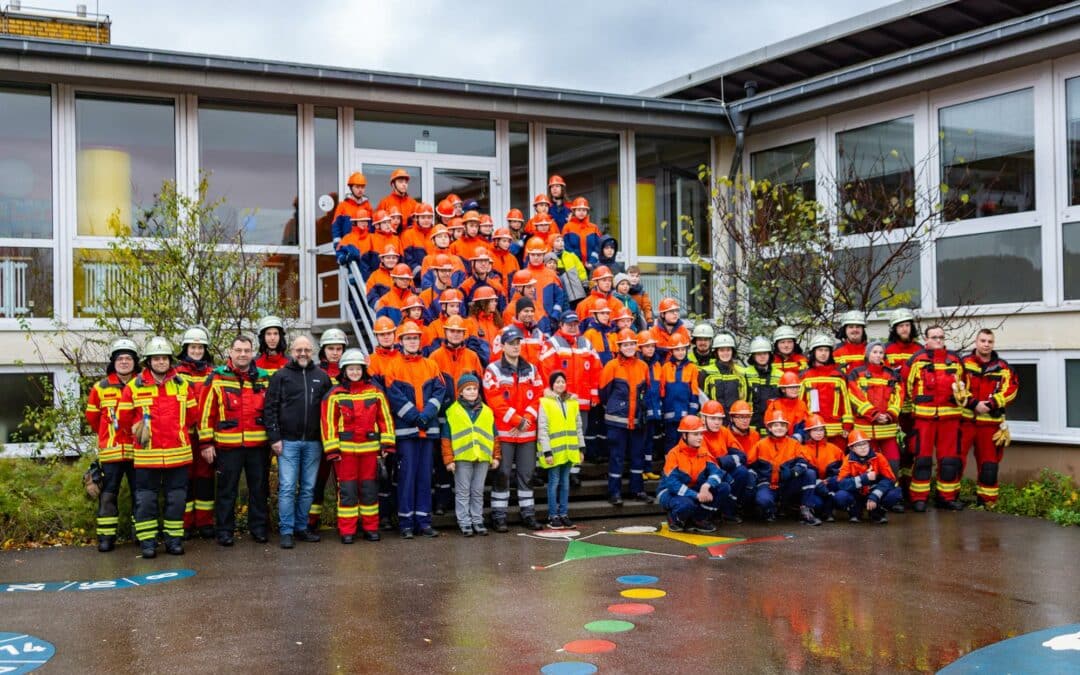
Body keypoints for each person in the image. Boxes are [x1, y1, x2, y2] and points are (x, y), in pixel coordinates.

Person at [118, 336, 199, 557]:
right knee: (145, 500)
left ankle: (173, 541)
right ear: (148, 361)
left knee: (177, 500)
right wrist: (138, 429)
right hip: (147, 455)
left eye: (164, 358)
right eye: (156, 358)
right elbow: (123, 419)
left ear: (170, 361)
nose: (161, 362)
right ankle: (148, 543)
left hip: (178, 454)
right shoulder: (134, 386)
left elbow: (193, 416)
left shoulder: (183, 385)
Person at [199, 335, 272, 547]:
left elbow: (272, 410)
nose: (242, 354)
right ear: (230, 352)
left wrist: (273, 441)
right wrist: (206, 443)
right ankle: (224, 531)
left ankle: (258, 529)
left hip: (258, 446)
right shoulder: (217, 377)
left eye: (246, 351)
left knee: (259, 490)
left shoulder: (263, 377)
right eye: (238, 350)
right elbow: (206, 413)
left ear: (252, 353)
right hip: (227, 447)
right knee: (226, 491)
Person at [264, 335, 333, 548]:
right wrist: (274, 437)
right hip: (287, 442)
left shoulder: (322, 377)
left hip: (314, 442)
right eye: (298, 350)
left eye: (306, 350)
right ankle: (286, 531)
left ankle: (301, 527)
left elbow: (329, 410)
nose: (302, 353)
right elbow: (270, 408)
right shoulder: (281, 376)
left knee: (308, 488)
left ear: (312, 352)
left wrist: (326, 440)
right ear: (292, 351)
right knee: (286, 487)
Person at [321, 349, 395, 544]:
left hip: (370, 452)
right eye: (351, 369)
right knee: (347, 491)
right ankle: (347, 530)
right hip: (345, 454)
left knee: (370, 490)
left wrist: (387, 444)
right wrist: (332, 449)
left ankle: (371, 528)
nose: (354, 372)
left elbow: (385, 419)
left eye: (358, 368)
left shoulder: (375, 392)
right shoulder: (334, 394)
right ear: (344, 371)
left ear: (364, 369)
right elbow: (328, 423)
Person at [384, 321, 447, 538]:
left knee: (424, 478)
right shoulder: (393, 366)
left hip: (427, 433)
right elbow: (394, 396)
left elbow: (439, 391)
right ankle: (406, 524)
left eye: (415, 338)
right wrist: (416, 417)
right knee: (406, 477)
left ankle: (424, 521)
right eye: (408, 338)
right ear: (400, 341)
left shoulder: (431, 365)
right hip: (406, 434)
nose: (412, 341)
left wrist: (427, 415)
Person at [484, 326, 545, 532]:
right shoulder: (493, 370)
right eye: (511, 343)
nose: (515, 347)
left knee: (527, 474)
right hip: (504, 433)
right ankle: (498, 516)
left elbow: (538, 397)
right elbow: (495, 400)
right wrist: (517, 420)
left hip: (526, 433)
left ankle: (528, 513)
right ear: (502, 346)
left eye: (518, 343)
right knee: (502, 474)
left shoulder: (532, 369)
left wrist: (525, 420)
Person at [905, 325, 968, 512]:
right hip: (924, 420)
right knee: (922, 460)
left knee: (949, 460)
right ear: (926, 340)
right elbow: (907, 387)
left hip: (950, 419)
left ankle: (946, 497)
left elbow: (965, 385)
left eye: (941, 337)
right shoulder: (917, 360)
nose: (938, 340)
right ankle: (919, 498)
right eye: (934, 337)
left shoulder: (955, 361)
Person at [86, 338, 139, 552]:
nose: (124, 362)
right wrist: (108, 437)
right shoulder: (100, 388)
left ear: (135, 362)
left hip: (139, 452)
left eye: (128, 358)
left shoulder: (143, 384)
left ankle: (141, 536)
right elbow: (92, 419)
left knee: (141, 495)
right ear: (113, 362)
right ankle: (106, 538)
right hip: (112, 453)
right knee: (107, 496)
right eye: (120, 358)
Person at [429, 314, 486, 515]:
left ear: (464, 334)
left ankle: (467, 503)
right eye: (452, 331)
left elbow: (480, 387)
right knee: (443, 461)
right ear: (445, 332)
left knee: (467, 459)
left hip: (468, 418)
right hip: (444, 417)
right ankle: (442, 502)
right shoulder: (435, 356)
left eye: (459, 332)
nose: (455, 334)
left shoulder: (472, 356)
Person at [540, 312, 602, 487]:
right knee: (558, 437)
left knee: (578, 435)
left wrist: (594, 394)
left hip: (581, 401)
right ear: (561, 324)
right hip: (558, 402)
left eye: (575, 323)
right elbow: (546, 371)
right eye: (569, 324)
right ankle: (555, 471)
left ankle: (574, 472)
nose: (573, 326)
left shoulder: (586, 343)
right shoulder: (552, 343)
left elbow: (597, 370)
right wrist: (553, 395)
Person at [960, 329, 1018, 507]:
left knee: (989, 465)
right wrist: (973, 403)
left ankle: (987, 501)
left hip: (991, 424)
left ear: (993, 344)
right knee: (953, 461)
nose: (986, 344)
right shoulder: (963, 363)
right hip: (966, 422)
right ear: (976, 342)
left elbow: (1011, 390)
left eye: (989, 341)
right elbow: (956, 386)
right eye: (983, 341)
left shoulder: (1003, 367)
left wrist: (991, 404)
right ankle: (949, 498)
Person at [440, 373, 499, 537]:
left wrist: (496, 456)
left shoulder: (487, 411)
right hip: (462, 458)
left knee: (478, 491)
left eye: (474, 388)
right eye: (468, 389)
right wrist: (448, 459)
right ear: (460, 392)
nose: (472, 392)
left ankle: (477, 520)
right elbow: (446, 437)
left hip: (482, 457)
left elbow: (494, 435)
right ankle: (465, 522)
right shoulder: (452, 411)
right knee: (463, 491)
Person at [601, 329, 652, 505]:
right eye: (626, 344)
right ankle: (614, 492)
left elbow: (646, 390)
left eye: (632, 344)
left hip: (637, 420)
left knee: (637, 456)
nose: (629, 347)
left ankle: (637, 490)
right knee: (617, 456)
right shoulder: (611, 366)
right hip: (617, 421)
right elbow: (604, 393)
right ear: (619, 346)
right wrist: (617, 409)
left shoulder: (643, 366)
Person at [174, 327, 215, 539]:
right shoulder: (178, 373)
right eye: (193, 347)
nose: (197, 351)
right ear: (186, 349)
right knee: (185, 480)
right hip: (186, 435)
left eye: (200, 347)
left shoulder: (212, 373)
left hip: (206, 435)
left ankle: (205, 522)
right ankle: (186, 524)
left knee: (205, 479)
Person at [748, 410, 821, 525]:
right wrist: (757, 480)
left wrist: (793, 472)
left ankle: (805, 510)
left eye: (782, 425)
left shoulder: (794, 444)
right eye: (776, 425)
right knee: (763, 500)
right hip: (767, 484)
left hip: (788, 483)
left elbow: (803, 463)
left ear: (787, 428)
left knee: (810, 473)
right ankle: (771, 509)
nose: (779, 428)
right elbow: (750, 465)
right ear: (770, 428)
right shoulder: (760, 444)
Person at [847, 342, 904, 486]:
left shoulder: (892, 375)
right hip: (865, 430)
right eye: (874, 352)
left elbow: (899, 396)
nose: (878, 355)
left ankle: (891, 492)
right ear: (867, 354)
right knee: (867, 464)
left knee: (893, 462)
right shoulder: (856, 373)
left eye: (880, 352)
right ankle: (868, 493)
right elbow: (854, 396)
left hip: (887, 429)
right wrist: (874, 414)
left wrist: (890, 414)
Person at [658, 415, 727, 533]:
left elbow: (716, 471)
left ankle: (699, 519)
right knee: (687, 504)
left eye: (701, 434)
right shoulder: (674, 454)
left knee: (724, 488)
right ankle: (675, 519)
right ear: (684, 435)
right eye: (695, 434)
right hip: (669, 492)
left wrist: (707, 485)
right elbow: (672, 484)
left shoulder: (703, 451)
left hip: (694, 489)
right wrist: (696, 495)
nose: (700, 438)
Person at [537, 371, 585, 529]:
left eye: (562, 382)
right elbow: (543, 429)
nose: (560, 384)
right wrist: (547, 452)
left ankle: (563, 514)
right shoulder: (545, 402)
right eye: (557, 382)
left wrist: (581, 448)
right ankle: (553, 516)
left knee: (565, 483)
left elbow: (578, 427)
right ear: (551, 384)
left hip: (569, 451)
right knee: (554, 483)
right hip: (554, 452)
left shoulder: (573, 403)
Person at [368, 316, 402, 530]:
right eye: (382, 334)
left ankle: (399, 512)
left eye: (389, 333)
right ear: (376, 336)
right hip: (382, 421)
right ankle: (384, 516)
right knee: (382, 472)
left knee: (400, 471)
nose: (386, 337)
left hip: (402, 420)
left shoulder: (402, 357)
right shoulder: (371, 361)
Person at [885, 307, 922, 500]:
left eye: (907, 325)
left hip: (915, 410)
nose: (904, 329)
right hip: (894, 410)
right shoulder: (886, 351)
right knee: (896, 452)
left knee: (913, 450)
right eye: (900, 326)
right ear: (894, 329)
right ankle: (896, 491)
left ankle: (909, 490)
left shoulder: (919, 350)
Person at [835, 430, 902, 523]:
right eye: (858, 445)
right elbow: (841, 484)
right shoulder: (847, 460)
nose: (863, 447)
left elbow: (890, 479)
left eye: (865, 444)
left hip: (875, 493)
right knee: (840, 496)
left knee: (895, 493)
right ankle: (854, 512)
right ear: (851, 448)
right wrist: (864, 479)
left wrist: (875, 495)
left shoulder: (879, 457)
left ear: (869, 444)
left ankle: (878, 512)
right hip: (857, 495)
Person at [801, 333, 854, 446]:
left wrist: (847, 425)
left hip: (837, 432)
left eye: (826, 350)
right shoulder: (805, 376)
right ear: (813, 352)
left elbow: (846, 403)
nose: (823, 353)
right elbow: (800, 405)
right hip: (813, 430)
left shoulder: (839, 376)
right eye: (820, 350)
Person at [699, 400, 749, 521]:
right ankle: (706, 514)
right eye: (713, 418)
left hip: (722, 470)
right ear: (703, 418)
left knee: (742, 472)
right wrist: (725, 462)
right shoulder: (698, 434)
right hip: (706, 475)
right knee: (724, 482)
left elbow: (741, 456)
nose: (717, 422)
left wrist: (722, 462)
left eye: (720, 419)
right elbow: (708, 463)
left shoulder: (724, 432)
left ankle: (728, 511)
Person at [798, 415, 846, 522]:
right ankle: (819, 509)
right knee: (818, 504)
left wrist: (829, 481)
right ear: (808, 432)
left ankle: (831, 507)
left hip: (829, 486)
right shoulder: (801, 450)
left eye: (821, 430)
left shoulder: (834, 449)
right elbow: (803, 474)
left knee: (840, 496)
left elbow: (844, 470)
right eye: (815, 430)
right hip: (813, 488)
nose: (819, 433)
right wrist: (817, 482)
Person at [660, 336, 701, 453]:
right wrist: (662, 411)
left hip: (686, 415)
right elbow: (662, 391)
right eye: (677, 349)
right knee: (670, 441)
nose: (680, 352)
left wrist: (692, 413)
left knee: (684, 442)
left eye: (683, 349)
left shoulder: (692, 368)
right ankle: (669, 467)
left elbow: (694, 391)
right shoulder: (666, 368)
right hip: (669, 414)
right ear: (671, 351)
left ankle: (683, 466)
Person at [637, 330, 666, 481]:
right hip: (642, 410)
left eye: (652, 346)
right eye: (647, 346)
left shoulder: (657, 364)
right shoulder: (639, 364)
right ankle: (639, 468)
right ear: (640, 348)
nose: (650, 349)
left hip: (654, 408)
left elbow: (659, 387)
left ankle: (647, 468)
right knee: (640, 441)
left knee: (649, 441)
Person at [743, 336, 780, 433]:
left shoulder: (780, 375)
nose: (762, 356)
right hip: (751, 427)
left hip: (774, 427)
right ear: (753, 356)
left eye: (765, 353)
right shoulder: (744, 374)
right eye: (758, 354)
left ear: (769, 355)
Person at [701, 332, 746, 412]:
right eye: (721, 350)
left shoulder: (741, 372)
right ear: (716, 352)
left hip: (735, 417)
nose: (725, 353)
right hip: (714, 418)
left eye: (728, 350)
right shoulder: (706, 372)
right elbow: (703, 399)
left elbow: (745, 398)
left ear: (733, 352)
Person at [329, 172, 372, 248]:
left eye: (362, 187)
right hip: (347, 245)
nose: (360, 190)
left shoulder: (367, 206)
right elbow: (336, 226)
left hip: (364, 246)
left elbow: (372, 227)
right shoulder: (343, 205)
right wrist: (338, 245)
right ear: (351, 188)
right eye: (357, 187)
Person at [765, 371, 810, 442]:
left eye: (796, 387)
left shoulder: (802, 404)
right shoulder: (774, 405)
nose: (795, 390)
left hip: (796, 442)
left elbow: (805, 425)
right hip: (777, 441)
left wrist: (798, 436)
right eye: (791, 387)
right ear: (783, 389)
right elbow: (769, 426)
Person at [562, 196, 601, 268]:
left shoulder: (594, 227)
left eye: (584, 210)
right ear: (574, 211)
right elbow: (566, 247)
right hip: (573, 266)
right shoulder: (567, 227)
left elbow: (598, 247)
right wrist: (577, 261)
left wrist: (592, 262)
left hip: (592, 266)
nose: (581, 212)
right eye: (579, 210)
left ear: (587, 211)